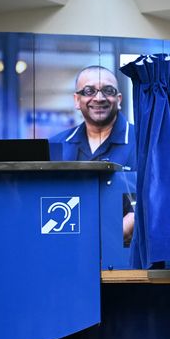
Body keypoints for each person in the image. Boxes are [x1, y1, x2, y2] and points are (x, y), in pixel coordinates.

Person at [49, 65, 137, 244]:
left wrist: (115, 234)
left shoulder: (144, 141)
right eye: (89, 91)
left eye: (108, 90)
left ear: (118, 100)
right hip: (69, 251)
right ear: (77, 99)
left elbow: (160, 199)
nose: (99, 98)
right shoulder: (56, 146)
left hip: (125, 257)